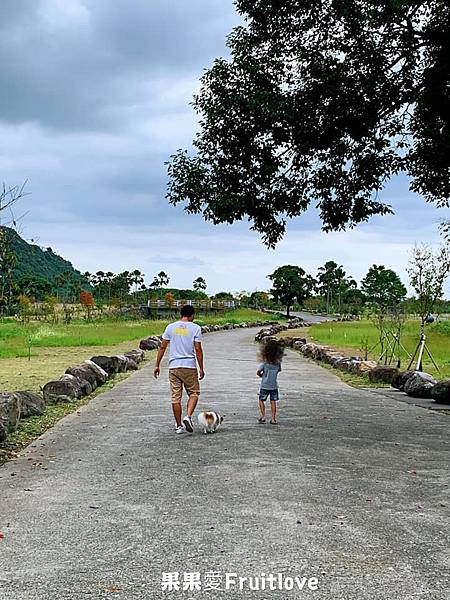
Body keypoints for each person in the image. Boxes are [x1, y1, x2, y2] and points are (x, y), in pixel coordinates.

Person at [154, 304, 205, 434]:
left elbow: (162, 347)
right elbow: (198, 349)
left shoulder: (170, 327)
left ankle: (178, 426)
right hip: (189, 366)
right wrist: (201, 368)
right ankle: (187, 416)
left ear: (181, 314)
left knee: (176, 397)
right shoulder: (195, 328)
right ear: (192, 315)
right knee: (194, 393)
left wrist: (157, 365)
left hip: (174, 366)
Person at [256, 339, 284, 425]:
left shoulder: (265, 363)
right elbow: (279, 370)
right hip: (274, 386)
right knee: (273, 402)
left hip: (264, 385)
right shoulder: (278, 363)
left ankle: (263, 416)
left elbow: (258, 372)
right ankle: (273, 418)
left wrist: (262, 375)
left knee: (261, 400)